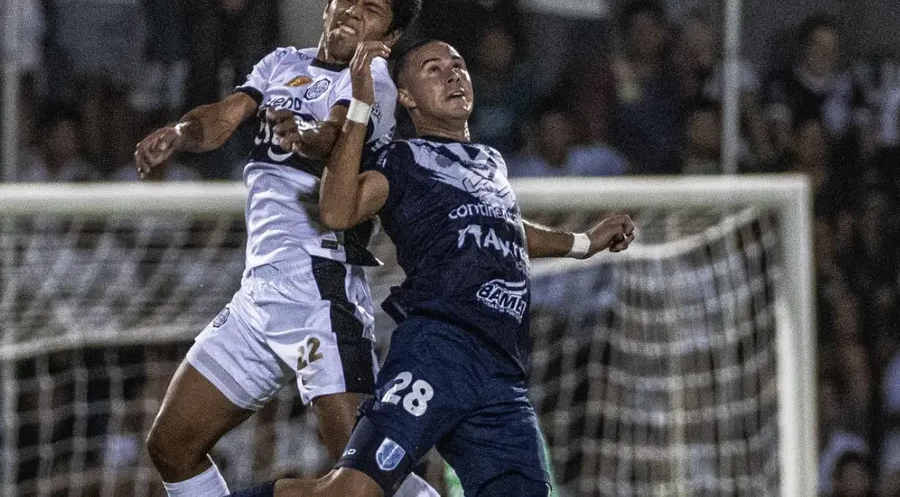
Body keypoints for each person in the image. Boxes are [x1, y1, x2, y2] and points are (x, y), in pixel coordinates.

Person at [232, 39, 635, 497]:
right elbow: (339, 211)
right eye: (433, 69)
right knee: (351, 494)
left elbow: (503, 228)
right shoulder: (403, 159)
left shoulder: (490, 161)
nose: (452, 74)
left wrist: (584, 243)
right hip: (439, 349)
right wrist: (361, 104)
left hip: (502, 369)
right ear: (406, 97)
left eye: (459, 65)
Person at [133, 0, 434, 497]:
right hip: (259, 296)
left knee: (366, 476)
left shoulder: (379, 85)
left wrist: (307, 134)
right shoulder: (280, 64)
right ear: (326, 5)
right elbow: (224, 116)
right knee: (171, 446)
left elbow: (338, 134)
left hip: (321, 294)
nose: (352, 12)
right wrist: (179, 133)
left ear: (385, 39)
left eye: (371, 10)